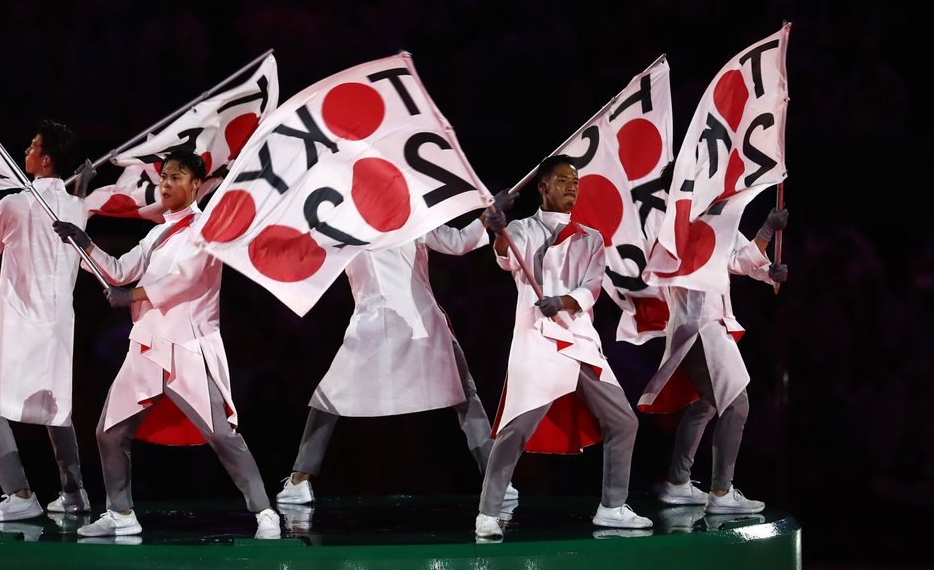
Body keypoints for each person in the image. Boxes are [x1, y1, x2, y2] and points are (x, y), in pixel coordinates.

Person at [53, 149, 280, 538]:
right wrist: (85, 244)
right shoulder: (158, 232)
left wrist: (133, 295)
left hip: (185, 345)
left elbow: (186, 278)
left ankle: (264, 513)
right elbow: (120, 270)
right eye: (164, 176)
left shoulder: (208, 227)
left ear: (196, 185)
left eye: (176, 176)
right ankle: (121, 514)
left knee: (222, 435)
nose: (166, 183)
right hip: (146, 345)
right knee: (109, 432)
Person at [275, 199, 519, 507]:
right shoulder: (388, 218)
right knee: (465, 398)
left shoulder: (349, 223)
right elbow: (458, 243)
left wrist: (486, 217)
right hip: (413, 324)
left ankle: (300, 480)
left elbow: (302, 254)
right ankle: (498, 481)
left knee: (327, 401)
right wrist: (484, 218)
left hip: (378, 327)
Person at [475, 155, 650, 539]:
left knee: (624, 421)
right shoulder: (523, 228)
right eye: (563, 180)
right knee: (516, 428)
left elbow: (591, 287)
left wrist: (564, 301)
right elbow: (506, 257)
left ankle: (613, 507)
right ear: (543, 186)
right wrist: (496, 227)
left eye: (576, 181)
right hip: (538, 339)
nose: (572, 186)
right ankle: (487, 513)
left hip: (579, 340)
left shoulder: (591, 237)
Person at [0, 119, 95, 522]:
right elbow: (70, 210)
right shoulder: (79, 207)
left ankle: (19, 493)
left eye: (32, 145)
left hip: (23, 324)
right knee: (56, 409)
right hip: (59, 325)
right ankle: (74, 493)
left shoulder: (14, 203)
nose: (25, 150)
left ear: (45, 159)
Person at [641, 204, 788, 514]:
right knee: (737, 404)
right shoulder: (675, 224)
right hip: (699, 327)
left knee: (705, 403)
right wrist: (765, 230)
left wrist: (768, 272)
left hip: (713, 325)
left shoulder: (718, 218)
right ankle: (721, 491)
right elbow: (717, 261)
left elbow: (739, 259)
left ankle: (678, 483)